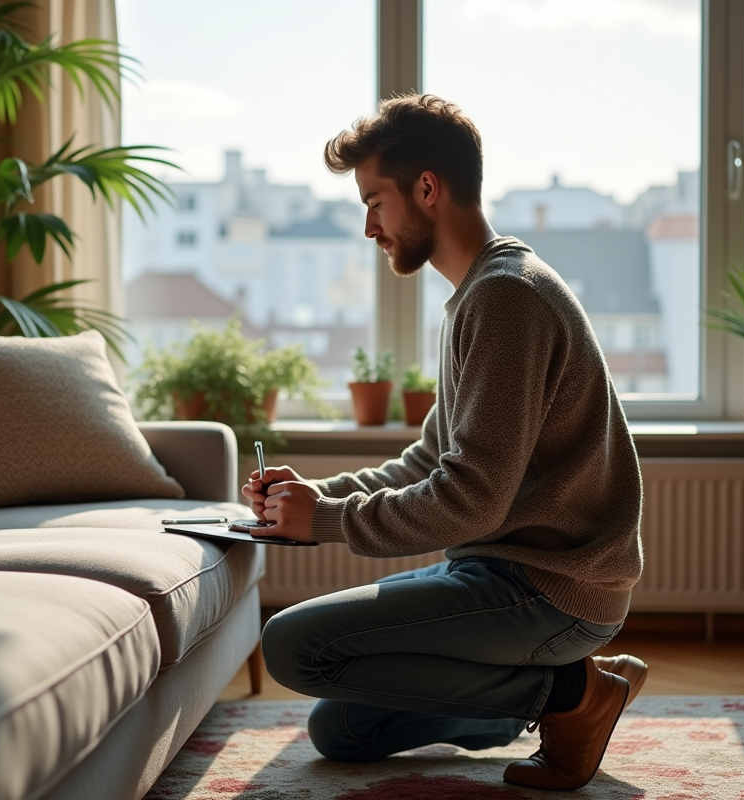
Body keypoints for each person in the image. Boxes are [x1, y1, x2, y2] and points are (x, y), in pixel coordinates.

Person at [240, 94, 646, 791]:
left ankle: (574, 696)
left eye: (375, 202)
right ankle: (547, 690)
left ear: (427, 188)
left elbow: (472, 499)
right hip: (495, 570)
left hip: (548, 588)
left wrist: (328, 523)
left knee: (292, 645)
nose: (369, 227)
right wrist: (309, 499)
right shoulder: (479, 294)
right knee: (341, 729)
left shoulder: (505, 298)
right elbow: (432, 461)